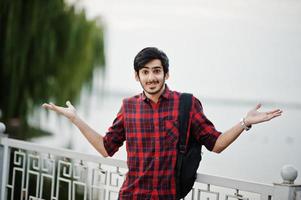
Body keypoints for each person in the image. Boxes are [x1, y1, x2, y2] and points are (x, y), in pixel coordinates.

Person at [42, 47, 282, 200]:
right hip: (131, 196)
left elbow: (216, 144)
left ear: (166, 74)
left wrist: (244, 122)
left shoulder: (186, 104)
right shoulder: (129, 107)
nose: (151, 77)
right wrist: (75, 119)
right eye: (145, 72)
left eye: (157, 71)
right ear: (137, 76)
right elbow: (106, 148)